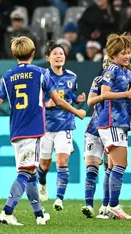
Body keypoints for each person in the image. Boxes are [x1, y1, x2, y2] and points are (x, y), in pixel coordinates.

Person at [0, 36, 86, 226]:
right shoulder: (41, 73)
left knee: (31, 173)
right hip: (33, 130)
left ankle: (39, 215)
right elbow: (57, 100)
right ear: (33, 53)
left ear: (14, 54)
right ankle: (7, 211)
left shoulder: (7, 76)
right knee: (26, 172)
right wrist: (78, 112)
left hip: (16, 131)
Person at [37, 40, 86, 211]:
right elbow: (35, 100)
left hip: (65, 124)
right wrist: (45, 104)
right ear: (47, 57)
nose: (59, 56)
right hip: (45, 126)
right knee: (44, 165)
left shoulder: (72, 76)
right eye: (55, 54)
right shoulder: (42, 76)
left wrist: (77, 99)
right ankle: (42, 182)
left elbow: (70, 95)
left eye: (61, 54)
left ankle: (59, 199)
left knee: (62, 162)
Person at [97, 33, 131, 220]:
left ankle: (107, 206)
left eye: (129, 52)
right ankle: (114, 205)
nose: (127, 56)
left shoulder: (128, 72)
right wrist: (126, 95)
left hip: (121, 122)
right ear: (113, 54)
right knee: (121, 163)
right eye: (123, 53)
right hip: (110, 121)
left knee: (113, 165)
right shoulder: (111, 70)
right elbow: (104, 94)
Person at [81, 55, 112, 219]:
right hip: (94, 129)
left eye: (110, 61)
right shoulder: (98, 80)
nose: (107, 64)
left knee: (111, 169)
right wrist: (104, 96)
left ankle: (107, 205)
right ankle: (88, 205)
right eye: (105, 61)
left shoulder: (124, 81)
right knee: (91, 168)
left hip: (112, 129)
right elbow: (90, 101)